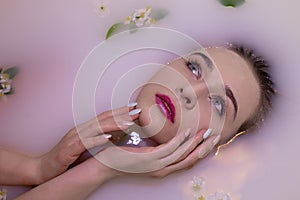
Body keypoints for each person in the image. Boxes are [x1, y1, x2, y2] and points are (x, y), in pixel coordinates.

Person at [0, 44, 275, 199]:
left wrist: (103, 168)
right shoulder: (50, 77)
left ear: (218, 145)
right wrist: (37, 168)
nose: (187, 92)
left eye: (218, 104)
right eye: (193, 68)